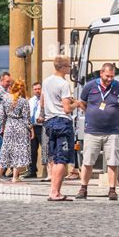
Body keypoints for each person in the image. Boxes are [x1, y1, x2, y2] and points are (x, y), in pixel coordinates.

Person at [76, 63, 119, 201]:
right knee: (88, 161)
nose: (110, 79)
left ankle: (112, 190)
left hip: (112, 131)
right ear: (101, 73)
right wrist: (90, 112)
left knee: (113, 161)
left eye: (112, 76)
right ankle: (83, 188)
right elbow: (81, 102)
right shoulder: (90, 86)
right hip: (92, 130)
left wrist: (117, 115)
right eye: (107, 76)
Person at [42, 56, 80, 201]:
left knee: (54, 158)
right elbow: (66, 109)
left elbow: (43, 102)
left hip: (50, 121)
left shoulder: (46, 81)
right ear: (63, 68)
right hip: (62, 123)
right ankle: (55, 192)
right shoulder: (64, 84)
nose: (70, 68)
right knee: (62, 159)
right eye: (69, 66)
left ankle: (53, 191)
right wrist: (77, 103)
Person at [0, 80, 33, 183]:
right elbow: (27, 119)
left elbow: (1, 117)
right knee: (18, 151)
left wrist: (2, 128)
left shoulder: (5, 99)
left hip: (9, 127)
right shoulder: (24, 101)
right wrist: (31, 129)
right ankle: (15, 177)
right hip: (20, 128)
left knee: (5, 150)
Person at [23, 82, 43, 178]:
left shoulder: (45, 99)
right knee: (32, 150)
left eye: (39, 89)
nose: (37, 91)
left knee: (45, 149)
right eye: (35, 89)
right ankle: (32, 171)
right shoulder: (31, 100)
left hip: (42, 126)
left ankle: (49, 171)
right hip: (32, 127)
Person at [0, 71, 12, 176]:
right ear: (1, 80)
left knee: (1, 147)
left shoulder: (4, 89)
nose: (9, 84)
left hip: (1, 123)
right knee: (0, 147)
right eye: (7, 81)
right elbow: (12, 98)